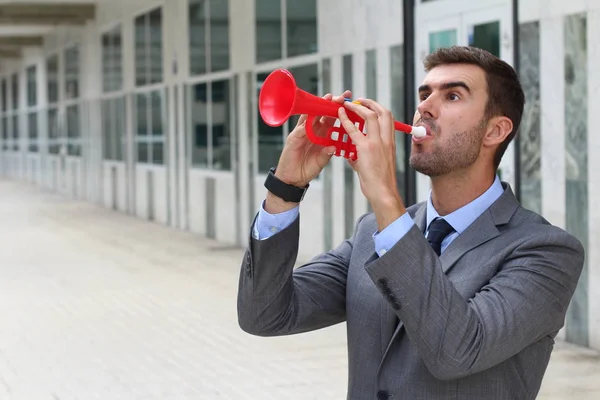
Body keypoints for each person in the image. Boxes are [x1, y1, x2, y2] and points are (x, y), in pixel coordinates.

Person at [236, 46, 585, 399]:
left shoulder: (546, 250)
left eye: (452, 95)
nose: (425, 108)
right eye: (424, 94)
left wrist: (386, 198)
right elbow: (264, 315)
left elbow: (458, 350)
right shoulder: (371, 232)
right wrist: (285, 190)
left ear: (495, 130)